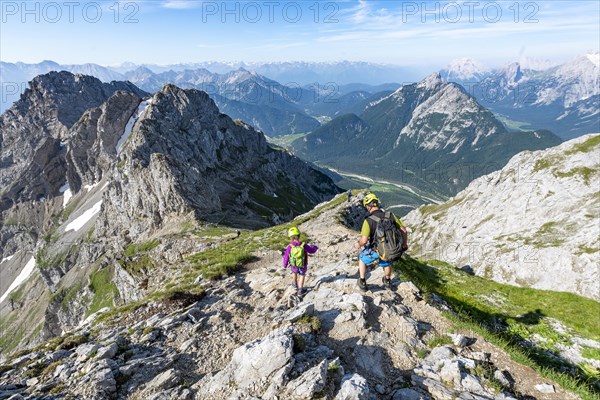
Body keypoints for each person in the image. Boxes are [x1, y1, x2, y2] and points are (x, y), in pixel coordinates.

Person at [354, 193, 408, 291]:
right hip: (389, 249)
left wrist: (358, 244)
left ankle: (362, 281)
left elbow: (364, 240)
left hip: (376, 250)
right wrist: (404, 244)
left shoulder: (368, 221)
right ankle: (387, 281)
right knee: (386, 262)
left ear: (368, 206)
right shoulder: (390, 215)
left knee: (362, 259)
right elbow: (404, 230)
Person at [283, 226, 318, 296]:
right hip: (303, 264)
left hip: (294, 265)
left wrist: (285, 265)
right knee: (302, 275)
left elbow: (286, 256)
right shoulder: (303, 245)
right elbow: (311, 251)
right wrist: (315, 247)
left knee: (294, 272)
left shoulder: (290, 246)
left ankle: (294, 284)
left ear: (291, 237)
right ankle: (300, 290)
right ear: (299, 236)